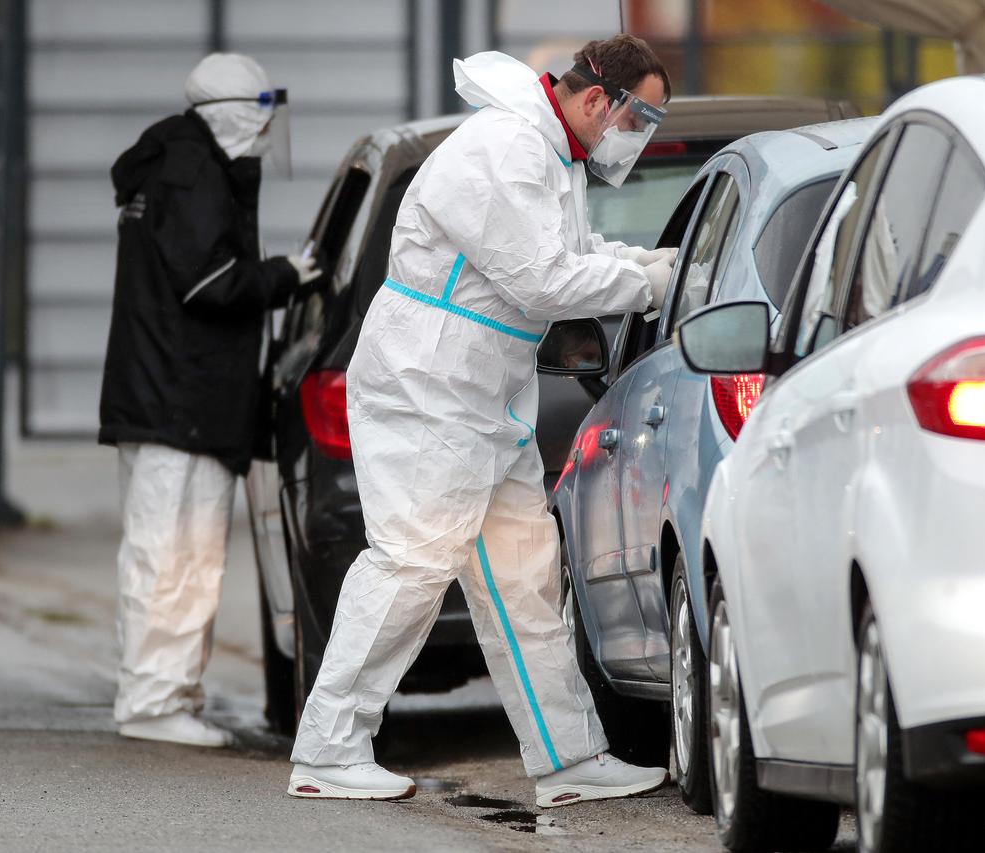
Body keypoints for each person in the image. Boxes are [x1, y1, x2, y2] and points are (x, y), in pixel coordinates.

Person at [287, 36, 678, 806]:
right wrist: (641, 286)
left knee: (522, 574)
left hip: (479, 392)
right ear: (599, 100)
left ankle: (567, 757)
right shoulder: (506, 146)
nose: (640, 136)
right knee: (410, 562)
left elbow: (565, 251)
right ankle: (328, 747)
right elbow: (538, 280)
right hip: (428, 383)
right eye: (643, 118)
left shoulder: (551, 149)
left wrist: (638, 263)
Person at [99, 53, 321, 748]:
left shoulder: (180, 163)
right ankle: (151, 699)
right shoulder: (192, 172)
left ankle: (169, 690)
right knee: (171, 551)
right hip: (179, 399)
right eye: (258, 117)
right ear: (231, 112)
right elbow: (208, 283)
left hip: (174, 396)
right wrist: (285, 274)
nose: (263, 134)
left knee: (179, 552)